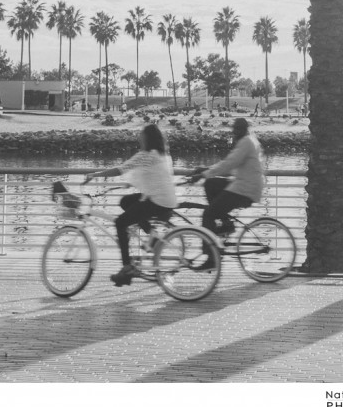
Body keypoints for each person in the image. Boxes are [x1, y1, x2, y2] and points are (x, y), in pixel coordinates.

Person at [83, 123, 177, 287]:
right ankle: (152, 233)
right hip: (165, 198)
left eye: (142, 135)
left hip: (158, 201)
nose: (139, 138)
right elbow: (151, 176)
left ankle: (127, 266)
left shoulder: (146, 155)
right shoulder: (161, 154)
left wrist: (95, 174)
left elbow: (121, 169)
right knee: (126, 202)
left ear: (147, 139)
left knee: (120, 222)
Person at [189, 117, 266, 270]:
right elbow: (230, 166)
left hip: (245, 189)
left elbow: (228, 164)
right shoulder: (250, 140)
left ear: (242, 130)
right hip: (244, 184)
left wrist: (203, 174)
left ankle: (211, 259)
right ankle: (225, 223)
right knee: (211, 184)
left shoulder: (245, 143)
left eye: (237, 129)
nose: (234, 132)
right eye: (234, 129)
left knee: (208, 214)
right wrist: (206, 171)